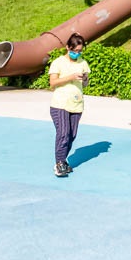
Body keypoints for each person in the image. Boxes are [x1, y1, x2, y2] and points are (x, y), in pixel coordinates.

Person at [48, 33, 90, 178]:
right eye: (74, 51)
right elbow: (52, 83)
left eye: (79, 51)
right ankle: (59, 163)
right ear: (67, 47)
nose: (77, 54)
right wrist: (71, 77)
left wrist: (84, 79)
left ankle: (63, 160)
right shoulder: (58, 62)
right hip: (60, 104)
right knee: (63, 133)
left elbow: (85, 83)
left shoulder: (83, 63)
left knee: (72, 135)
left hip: (77, 104)